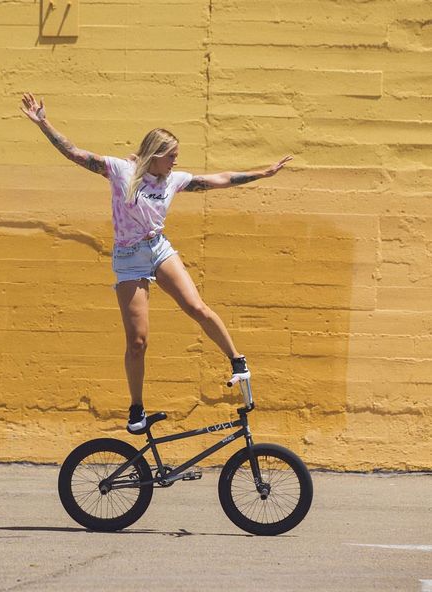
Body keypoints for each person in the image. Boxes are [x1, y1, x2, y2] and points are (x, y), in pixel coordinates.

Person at [21, 93, 293, 433]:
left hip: (158, 249)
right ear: (156, 155)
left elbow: (220, 179)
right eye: (172, 157)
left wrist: (263, 173)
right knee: (138, 341)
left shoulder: (173, 181)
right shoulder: (121, 171)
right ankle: (136, 409)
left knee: (197, 307)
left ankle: (237, 360)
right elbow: (76, 154)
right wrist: (43, 123)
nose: (176, 163)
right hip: (129, 259)